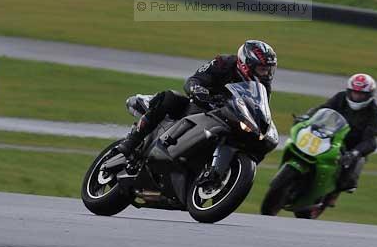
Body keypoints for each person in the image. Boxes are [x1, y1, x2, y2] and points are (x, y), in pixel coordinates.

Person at [117, 39, 277, 161]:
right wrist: (200, 91)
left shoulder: (263, 85)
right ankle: (132, 141)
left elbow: (258, 108)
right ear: (245, 64)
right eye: (262, 69)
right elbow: (194, 80)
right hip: (202, 105)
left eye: (269, 69)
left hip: (229, 116)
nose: (266, 74)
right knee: (169, 97)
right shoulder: (223, 63)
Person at [299, 73, 377, 212]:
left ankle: (333, 192)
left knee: (350, 166)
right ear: (349, 91)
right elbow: (323, 109)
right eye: (354, 93)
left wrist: (355, 152)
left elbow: (370, 138)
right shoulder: (340, 97)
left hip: (353, 144)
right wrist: (308, 116)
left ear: (369, 95)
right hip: (332, 134)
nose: (356, 97)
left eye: (361, 94)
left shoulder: (375, 112)